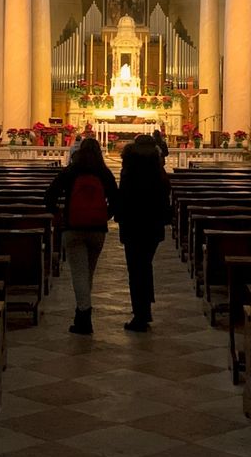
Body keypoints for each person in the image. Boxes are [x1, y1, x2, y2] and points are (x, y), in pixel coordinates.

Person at [44, 137, 119, 334]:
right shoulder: (103, 172)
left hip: (74, 227)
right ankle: (81, 313)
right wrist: (105, 215)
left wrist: (60, 214)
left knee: (80, 274)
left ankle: (84, 317)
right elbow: (116, 199)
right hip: (97, 229)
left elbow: (49, 196)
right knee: (88, 273)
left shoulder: (71, 170)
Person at [117, 134, 171, 331]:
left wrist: (118, 215)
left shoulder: (129, 170)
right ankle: (144, 309)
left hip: (132, 225)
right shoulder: (158, 171)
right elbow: (165, 196)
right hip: (152, 226)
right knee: (145, 266)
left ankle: (140, 314)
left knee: (136, 269)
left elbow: (123, 197)